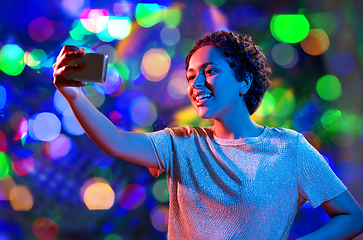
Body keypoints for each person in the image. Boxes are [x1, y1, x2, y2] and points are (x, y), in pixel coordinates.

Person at [53, 30, 363, 239]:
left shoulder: (290, 148)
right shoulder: (181, 143)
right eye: (190, 75)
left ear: (243, 81)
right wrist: (74, 96)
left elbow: (352, 217)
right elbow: (115, 141)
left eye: (210, 71)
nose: (196, 84)